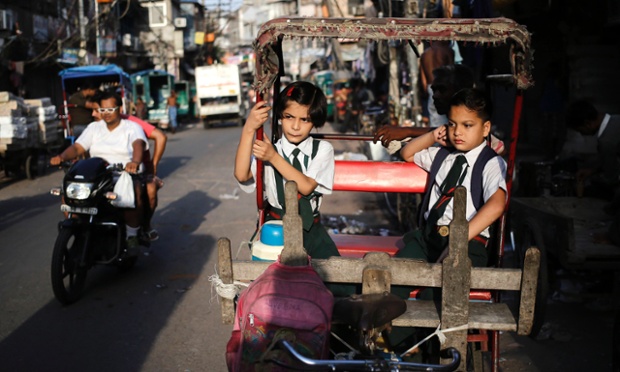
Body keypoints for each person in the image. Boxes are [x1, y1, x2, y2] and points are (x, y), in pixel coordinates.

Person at [393, 88, 507, 297]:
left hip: (468, 245)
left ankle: (404, 330)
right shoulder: (441, 155)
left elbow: (497, 205)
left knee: (433, 297)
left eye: (467, 125)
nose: (457, 132)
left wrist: (459, 240)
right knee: (392, 277)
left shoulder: (490, 163)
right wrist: (433, 135)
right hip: (429, 239)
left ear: (485, 128)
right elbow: (407, 153)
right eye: (452, 124)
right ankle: (383, 324)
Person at [234, 81, 343, 261]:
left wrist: (273, 158)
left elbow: (306, 186)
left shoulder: (322, 149)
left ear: (315, 120)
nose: (295, 126)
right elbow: (241, 174)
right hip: (276, 228)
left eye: (305, 119)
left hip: (311, 230)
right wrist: (249, 129)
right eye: (289, 117)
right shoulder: (271, 149)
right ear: (280, 117)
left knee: (338, 281)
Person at [51, 91, 149, 253]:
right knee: (69, 195)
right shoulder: (94, 128)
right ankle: (78, 229)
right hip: (97, 176)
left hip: (122, 175)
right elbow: (78, 147)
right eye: (103, 110)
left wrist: (135, 162)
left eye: (111, 109)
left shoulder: (132, 127)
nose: (107, 114)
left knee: (133, 195)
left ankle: (131, 236)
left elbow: (138, 145)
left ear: (120, 108)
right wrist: (61, 157)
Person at [88, 94, 167, 242]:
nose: (94, 114)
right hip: (103, 173)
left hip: (133, 172)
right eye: (95, 110)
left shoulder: (129, 123)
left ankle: (143, 228)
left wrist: (153, 166)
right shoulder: (93, 127)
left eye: (97, 110)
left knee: (149, 191)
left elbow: (160, 137)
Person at [566, 99, 620, 246]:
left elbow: (611, 178)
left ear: (587, 123)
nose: (583, 135)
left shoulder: (606, 140)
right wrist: (593, 170)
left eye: (580, 131)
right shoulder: (615, 121)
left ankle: (613, 238)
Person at [419, 41, 454, 127]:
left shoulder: (424, 54)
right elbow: (452, 73)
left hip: (430, 88)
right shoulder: (447, 51)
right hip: (444, 89)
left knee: (434, 118)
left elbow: (423, 81)